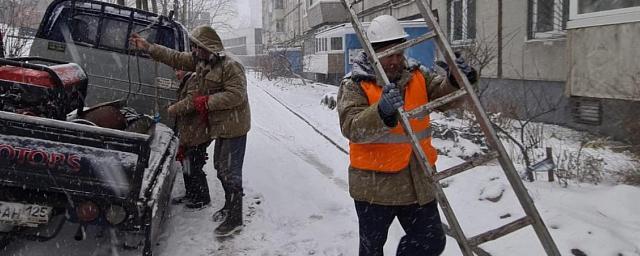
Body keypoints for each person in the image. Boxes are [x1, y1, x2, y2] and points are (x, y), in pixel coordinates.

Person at [336, 15, 477, 256]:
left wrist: (456, 80)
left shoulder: (416, 75)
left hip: (417, 183)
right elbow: (352, 127)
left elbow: (443, 97)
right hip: (375, 189)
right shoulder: (355, 83)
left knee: (432, 242)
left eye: (399, 53)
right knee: (371, 251)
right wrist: (381, 112)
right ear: (373, 53)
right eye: (388, 55)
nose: (395, 60)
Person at [129, 25, 251, 237]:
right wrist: (148, 47)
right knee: (221, 169)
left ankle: (235, 218)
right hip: (221, 126)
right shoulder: (201, 61)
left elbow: (236, 95)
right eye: (193, 46)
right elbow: (175, 57)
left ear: (207, 46)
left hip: (235, 125)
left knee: (230, 173)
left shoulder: (231, 66)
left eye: (196, 46)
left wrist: (206, 101)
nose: (193, 50)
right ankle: (229, 207)